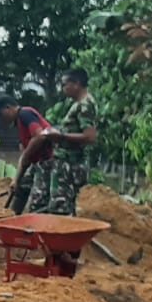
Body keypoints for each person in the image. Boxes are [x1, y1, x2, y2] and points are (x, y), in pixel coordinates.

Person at [29, 69, 99, 215]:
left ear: (76, 84)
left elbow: (90, 137)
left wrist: (60, 136)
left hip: (70, 164)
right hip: (65, 162)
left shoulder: (85, 105)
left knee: (60, 206)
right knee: (59, 205)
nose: (63, 88)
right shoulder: (79, 104)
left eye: (64, 84)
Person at [0, 94, 56, 214]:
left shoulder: (25, 113)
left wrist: (26, 155)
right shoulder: (18, 123)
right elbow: (24, 158)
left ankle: (37, 228)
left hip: (49, 161)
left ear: (8, 108)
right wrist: (15, 180)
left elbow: (40, 136)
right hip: (38, 162)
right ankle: (12, 218)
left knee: (38, 203)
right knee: (20, 188)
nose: (1, 119)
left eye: (0, 115)